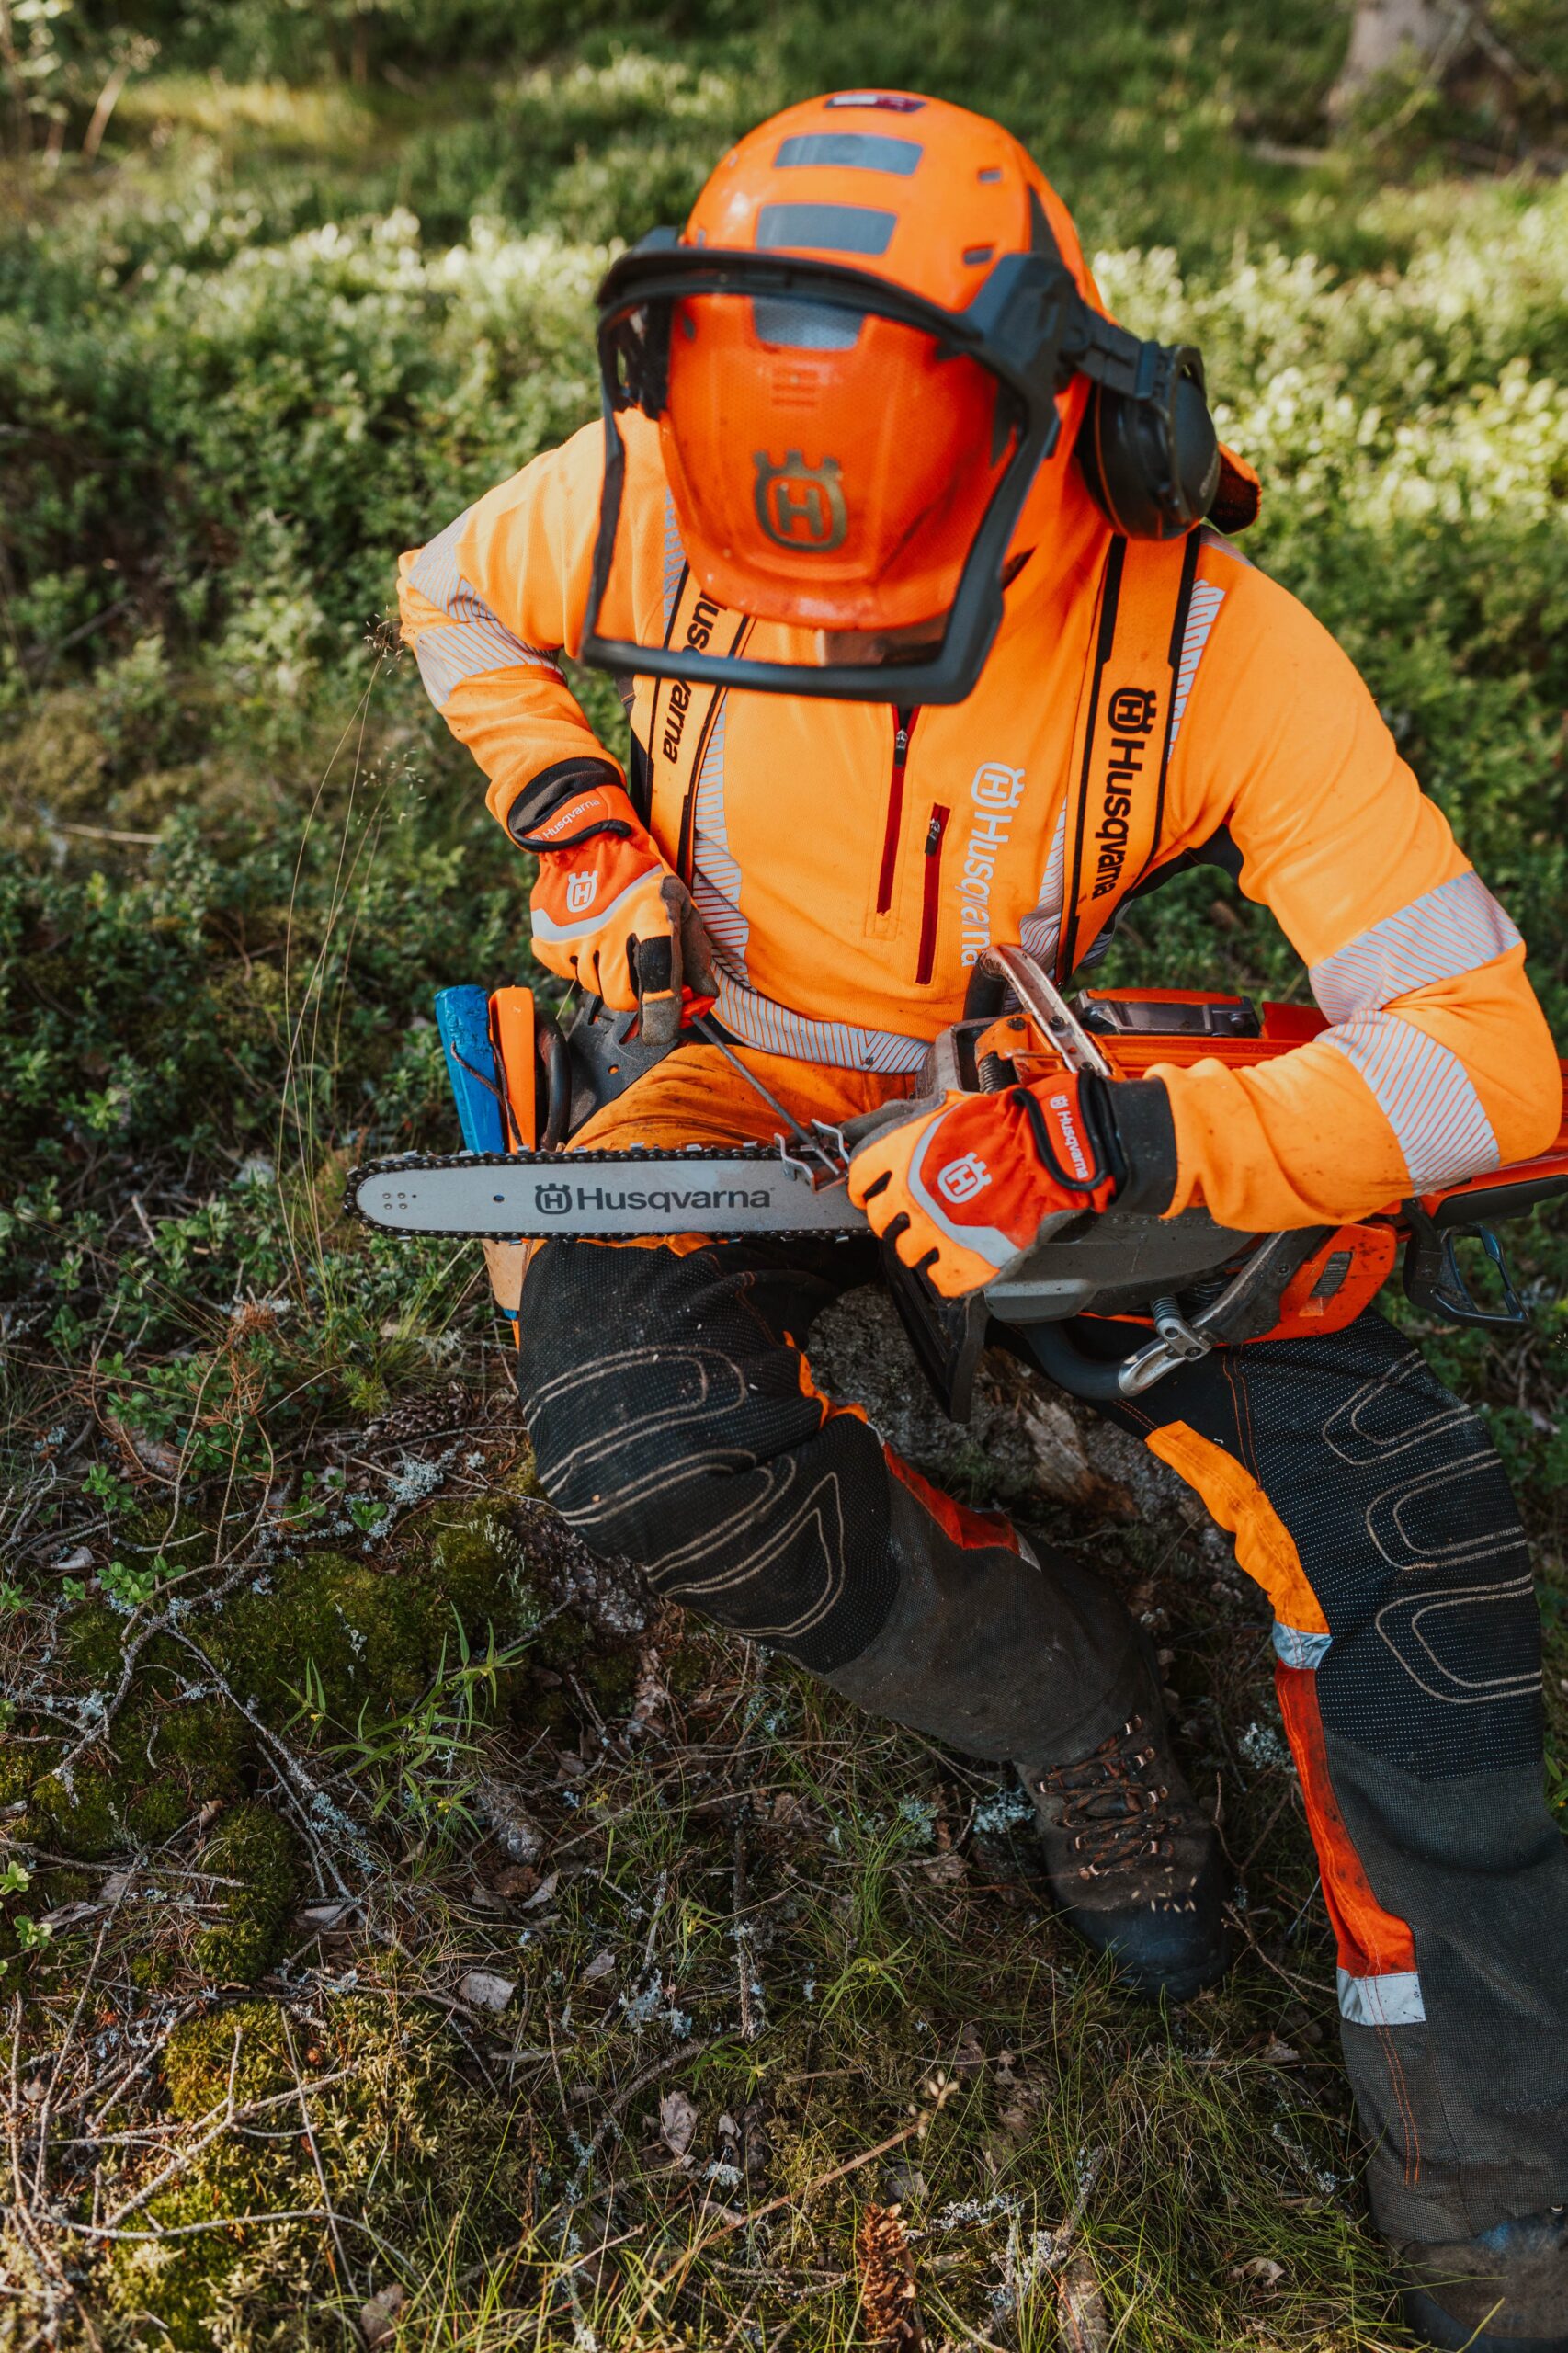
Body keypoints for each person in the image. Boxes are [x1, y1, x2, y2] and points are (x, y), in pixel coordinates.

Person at [399, 92, 1567, 2348]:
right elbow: (452, 586)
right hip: (741, 1064)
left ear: (1047, 424)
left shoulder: (1215, 639)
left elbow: (1493, 1057)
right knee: (643, 1443)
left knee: (1416, 1545)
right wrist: (570, 816)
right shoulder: (661, 490)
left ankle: (1501, 2205)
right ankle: (1062, 1707)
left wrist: (1138, 1152)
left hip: (1052, 1101)